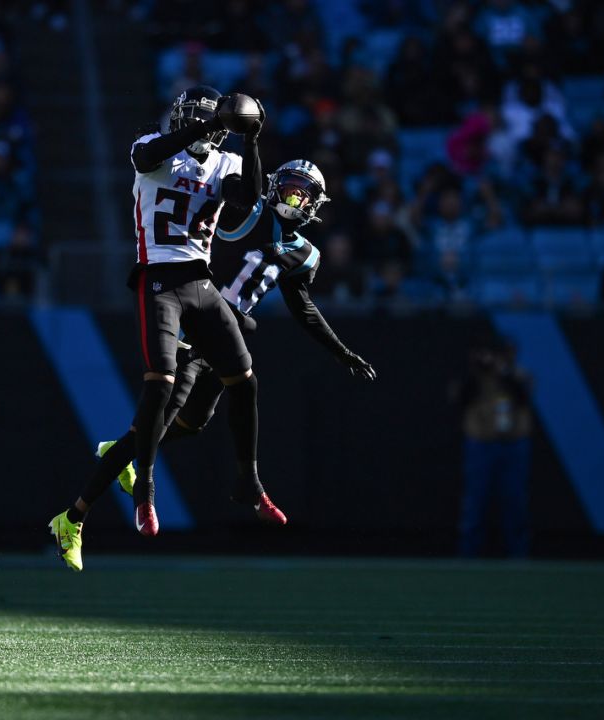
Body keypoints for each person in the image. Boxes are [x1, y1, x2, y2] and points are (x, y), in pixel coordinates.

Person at [49, 160, 376, 571]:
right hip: (195, 326)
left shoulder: (305, 254)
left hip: (223, 339)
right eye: (291, 187)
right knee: (157, 423)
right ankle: (73, 517)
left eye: (304, 193)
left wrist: (341, 351)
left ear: (316, 204)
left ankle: (123, 452)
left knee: (194, 421)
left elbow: (304, 308)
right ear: (275, 184)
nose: (296, 198)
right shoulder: (246, 209)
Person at [56, 86, 264, 551]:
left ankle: (234, 475)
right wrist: (209, 123)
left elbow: (247, 199)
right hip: (158, 278)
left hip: (201, 281)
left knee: (222, 392)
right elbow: (147, 156)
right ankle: (140, 486)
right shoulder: (152, 145)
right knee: (161, 385)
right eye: (194, 120)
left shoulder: (224, 163)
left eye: (211, 123)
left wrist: (250, 141)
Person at [452, 338, 533, 558]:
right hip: (481, 445)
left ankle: (519, 556)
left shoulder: (519, 375)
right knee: (474, 504)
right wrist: (477, 369)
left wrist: (504, 370)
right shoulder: (476, 379)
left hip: (513, 445)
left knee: (514, 503)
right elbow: (458, 398)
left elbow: (524, 395)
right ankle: (468, 555)